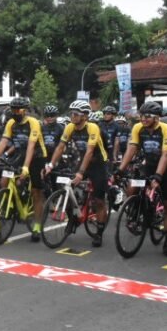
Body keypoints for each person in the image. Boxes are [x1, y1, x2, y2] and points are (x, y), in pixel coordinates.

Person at [117, 101, 167, 257]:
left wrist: (158, 177)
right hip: (150, 164)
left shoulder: (166, 129)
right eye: (141, 116)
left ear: (157, 117)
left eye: (147, 116)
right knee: (133, 186)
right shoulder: (138, 128)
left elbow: (165, 154)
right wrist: (120, 169)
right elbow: (131, 149)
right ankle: (136, 210)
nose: (143, 119)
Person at [44, 100, 109, 247]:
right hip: (83, 161)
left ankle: (99, 233)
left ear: (85, 116)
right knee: (66, 187)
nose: (72, 116)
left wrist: (80, 173)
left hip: (99, 163)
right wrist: (50, 164)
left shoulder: (92, 127)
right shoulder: (69, 127)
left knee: (99, 200)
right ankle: (72, 219)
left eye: (76, 114)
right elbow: (60, 147)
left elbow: (89, 151)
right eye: (71, 113)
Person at [0, 97, 48, 242]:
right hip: (20, 154)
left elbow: (31, 146)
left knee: (36, 191)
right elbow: (3, 142)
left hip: (37, 156)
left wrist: (26, 168)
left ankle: (37, 226)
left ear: (25, 110)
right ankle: (10, 202)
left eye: (18, 110)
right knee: (4, 181)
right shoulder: (11, 123)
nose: (15, 113)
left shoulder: (33, 123)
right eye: (13, 109)